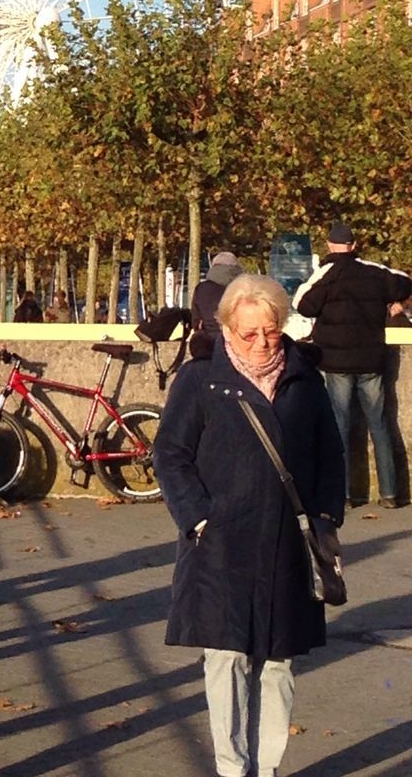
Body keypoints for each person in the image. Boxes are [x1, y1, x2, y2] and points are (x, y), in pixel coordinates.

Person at [154, 273, 344, 777]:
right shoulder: (199, 379)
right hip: (220, 541)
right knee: (227, 657)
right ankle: (232, 768)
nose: (261, 342)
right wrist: (196, 517)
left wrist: (326, 519)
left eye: (271, 332)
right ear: (227, 329)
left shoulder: (305, 378)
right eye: (249, 333)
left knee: (279, 664)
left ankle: (268, 766)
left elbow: (330, 453)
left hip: (289, 542)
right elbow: (171, 453)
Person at [294, 221, 411, 508]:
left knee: (340, 426)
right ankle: (389, 493)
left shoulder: (326, 274)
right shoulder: (375, 272)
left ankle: (342, 494)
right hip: (372, 360)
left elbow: (303, 304)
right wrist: (396, 303)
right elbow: (404, 281)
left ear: (330, 244)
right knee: (381, 425)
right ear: (354, 245)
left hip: (335, 363)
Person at [189, 250, 243, 358]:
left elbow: (196, 321)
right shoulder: (242, 288)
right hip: (237, 342)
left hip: (209, 345)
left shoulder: (202, 289)